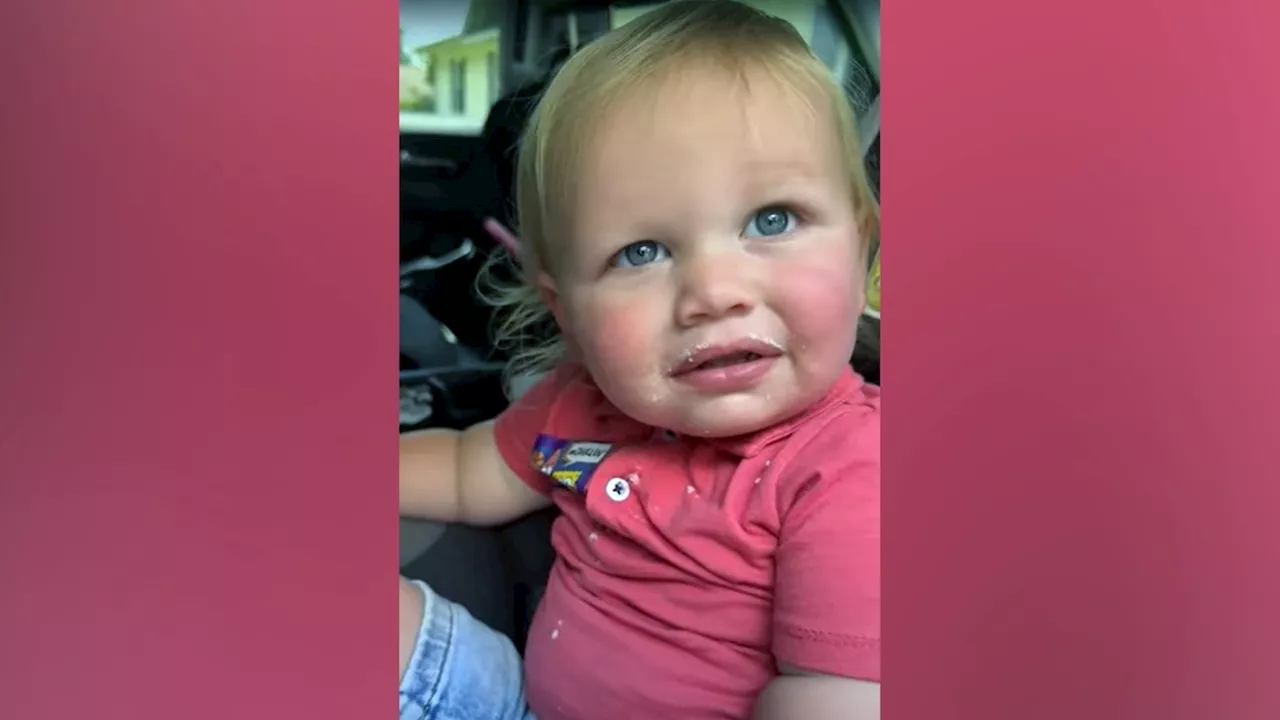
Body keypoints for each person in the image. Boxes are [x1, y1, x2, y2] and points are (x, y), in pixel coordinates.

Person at [399, 2, 880, 718]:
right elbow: (474, 473)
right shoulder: (584, 403)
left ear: (864, 248)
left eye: (772, 220)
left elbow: (835, 699)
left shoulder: (849, 470)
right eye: (641, 252)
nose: (714, 294)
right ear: (568, 312)